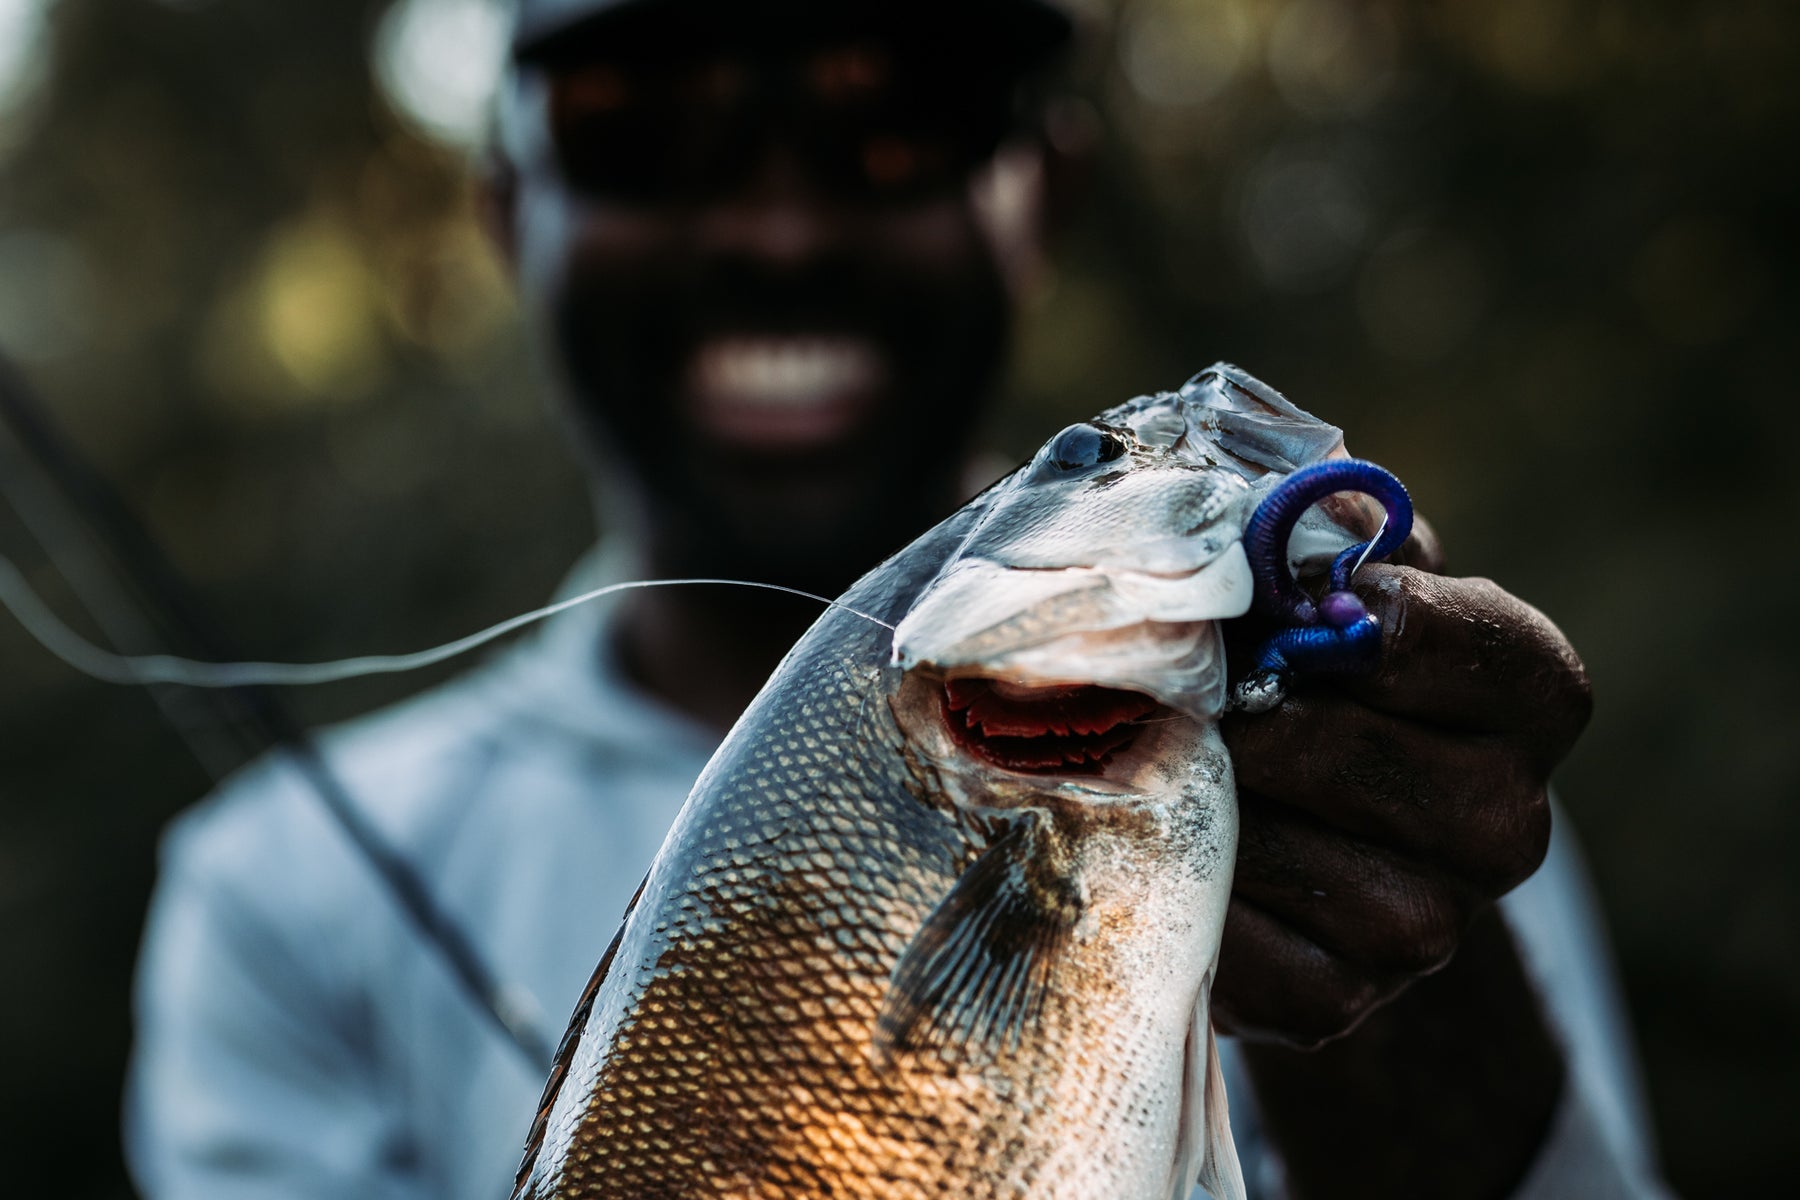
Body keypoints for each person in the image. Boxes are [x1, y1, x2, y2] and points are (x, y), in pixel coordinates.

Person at [125, 2, 1673, 1197]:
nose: (779, 227)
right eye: (641, 128)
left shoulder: (1397, 763)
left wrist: (1406, 991)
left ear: (1046, 190)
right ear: (506, 214)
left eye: (894, 125)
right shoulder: (278, 903)